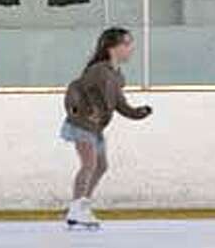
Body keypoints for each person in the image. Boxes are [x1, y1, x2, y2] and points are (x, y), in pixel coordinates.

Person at [60, 28, 152, 229]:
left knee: (101, 166)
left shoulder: (117, 75)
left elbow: (119, 104)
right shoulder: (98, 70)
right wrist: (76, 110)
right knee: (89, 164)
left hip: (96, 128)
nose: (131, 48)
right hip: (81, 124)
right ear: (112, 47)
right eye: (126, 44)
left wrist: (137, 112)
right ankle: (76, 208)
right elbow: (75, 88)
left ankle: (81, 205)